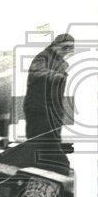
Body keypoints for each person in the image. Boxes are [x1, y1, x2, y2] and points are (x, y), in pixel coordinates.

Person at [23, 33, 75, 175]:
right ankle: (42, 172)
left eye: (70, 48)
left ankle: (51, 171)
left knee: (51, 143)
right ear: (56, 45)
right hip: (38, 109)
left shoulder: (62, 63)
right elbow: (36, 72)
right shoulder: (43, 57)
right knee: (37, 145)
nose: (67, 51)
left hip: (54, 111)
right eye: (65, 47)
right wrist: (55, 75)